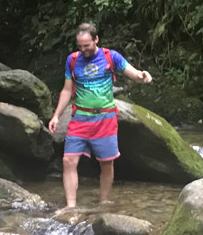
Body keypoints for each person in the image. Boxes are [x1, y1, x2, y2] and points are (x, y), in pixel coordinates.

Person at [48, 23, 152, 208]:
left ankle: (104, 202)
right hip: (80, 118)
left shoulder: (111, 57)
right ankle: (71, 206)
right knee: (68, 160)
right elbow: (67, 90)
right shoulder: (72, 60)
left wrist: (142, 76)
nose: (83, 50)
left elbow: (133, 73)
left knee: (106, 163)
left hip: (105, 119)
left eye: (87, 45)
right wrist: (56, 115)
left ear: (96, 39)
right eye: (80, 46)